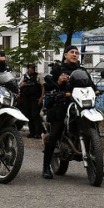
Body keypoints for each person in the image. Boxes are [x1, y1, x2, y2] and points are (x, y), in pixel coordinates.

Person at [41, 46, 82, 179]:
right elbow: (48, 85)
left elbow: (91, 85)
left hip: (80, 104)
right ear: (65, 55)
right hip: (62, 104)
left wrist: (96, 90)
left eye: (76, 53)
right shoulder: (58, 69)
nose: (74, 55)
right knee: (55, 133)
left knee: (93, 123)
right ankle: (46, 167)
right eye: (72, 52)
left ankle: (96, 161)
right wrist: (58, 82)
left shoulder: (81, 70)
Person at [18, 62, 44, 139]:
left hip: (35, 99)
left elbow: (43, 87)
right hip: (26, 99)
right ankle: (32, 132)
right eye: (31, 68)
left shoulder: (38, 76)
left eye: (33, 68)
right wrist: (23, 85)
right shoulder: (24, 76)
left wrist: (41, 98)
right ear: (28, 68)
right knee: (28, 115)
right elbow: (20, 85)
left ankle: (38, 133)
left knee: (35, 115)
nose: (32, 69)